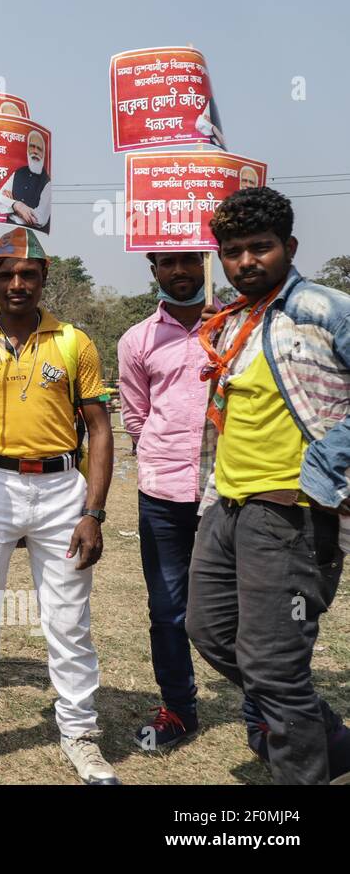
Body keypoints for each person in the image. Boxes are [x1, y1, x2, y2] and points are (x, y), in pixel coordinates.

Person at [0, 228, 117, 784]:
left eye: (28, 274)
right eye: (6, 274)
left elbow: (100, 431)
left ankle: (80, 733)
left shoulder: (73, 343)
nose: (17, 284)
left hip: (62, 489)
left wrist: (95, 511)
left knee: (67, 619)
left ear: (43, 277)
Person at [186, 186, 350, 785]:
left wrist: (331, 463)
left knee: (274, 666)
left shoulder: (326, 309)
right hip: (226, 507)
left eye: (261, 247)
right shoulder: (231, 325)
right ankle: (324, 736)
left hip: (292, 514)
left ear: (290, 246)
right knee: (208, 631)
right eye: (233, 251)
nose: (246, 262)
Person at [117, 251, 216, 750]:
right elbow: (135, 417)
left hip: (229, 490)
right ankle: (178, 709)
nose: (181, 272)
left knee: (241, 607)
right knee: (167, 609)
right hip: (162, 494)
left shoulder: (233, 327)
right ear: (153, 270)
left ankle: (264, 712)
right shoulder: (136, 340)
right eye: (168, 264)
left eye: (189, 261)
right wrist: (162, 459)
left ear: (205, 262)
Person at [0, 130, 51, 232]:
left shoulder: (47, 182)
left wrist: (9, 205)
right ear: (27, 149)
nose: (35, 151)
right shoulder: (18, 173)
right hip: (9, 231)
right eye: (32, 146)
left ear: (43, 154)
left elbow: (40, 219)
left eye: (39, 149)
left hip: (32, 235)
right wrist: (16, 205)